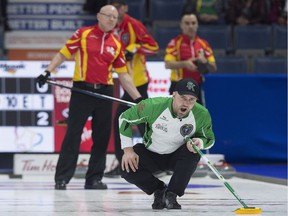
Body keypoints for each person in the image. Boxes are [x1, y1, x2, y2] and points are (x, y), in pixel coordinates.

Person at [36, 5, 142, 190]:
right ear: (98, 16)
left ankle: (94, 179)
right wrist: (47, 71)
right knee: (73, 135)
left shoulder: (117, 44)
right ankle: (62, 178)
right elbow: (63, 54)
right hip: (82, 90)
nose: (111, 20)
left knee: (101, 137)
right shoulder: (82, 34)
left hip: (105, 92)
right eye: (108, 16)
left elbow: (124, 75)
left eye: (115, 17)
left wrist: (138, 99)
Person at [118, 78, 215, 209]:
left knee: (193, 153)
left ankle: (172, 194)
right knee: (126, 168)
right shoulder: (153, 106)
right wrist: (128, 150)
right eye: (183, 97)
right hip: (151, 153)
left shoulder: (202, 114)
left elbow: (209, 139)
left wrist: (200, 142)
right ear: (174, 94)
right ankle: (159, 189)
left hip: (177, 156)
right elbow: (124, 118)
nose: (186, 103)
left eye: (191, 100)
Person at [104, 0, 159, 178]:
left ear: (125, 8)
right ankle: (146, 163)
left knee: (128, 121)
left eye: (119, 6)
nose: (117, 10)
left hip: (138, 82)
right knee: (141, 123)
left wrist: (134, 48)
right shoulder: (111, 27)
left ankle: (145, 163)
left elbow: (154, 47)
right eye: (113, 6)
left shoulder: (134, 25)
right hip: (126, 81)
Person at [164, 12, 217, 105]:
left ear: (197, 25)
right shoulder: (175, 43)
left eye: (193, 23)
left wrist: (205, 61)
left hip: (196, 86)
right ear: (181, 25)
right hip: (178, 86)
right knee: (174, 117)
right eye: (187, 23)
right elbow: (167, 64)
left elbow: (214, 68)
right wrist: (185, 64)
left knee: (197, 117)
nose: (190, 26)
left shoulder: (204, 44)